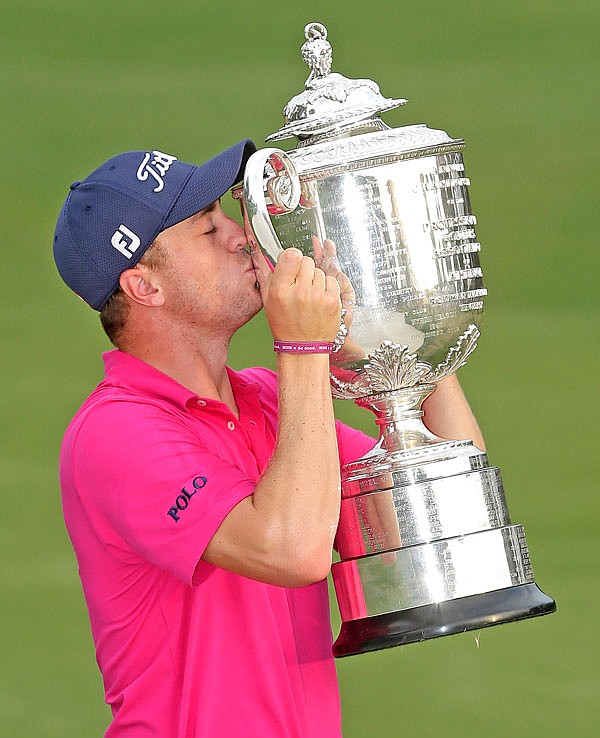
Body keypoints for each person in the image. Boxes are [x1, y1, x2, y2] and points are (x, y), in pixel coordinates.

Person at [53, 141, 485, 738]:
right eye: (208, 230)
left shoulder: (265, 400)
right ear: (144, 286)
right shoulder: (115, 432)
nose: (242, 237)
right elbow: (291, 550)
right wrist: (304, 348)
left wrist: (393, 340)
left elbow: (448, 508)